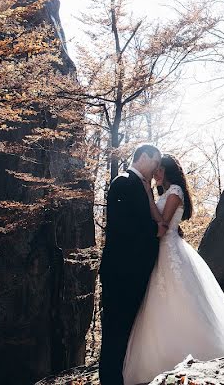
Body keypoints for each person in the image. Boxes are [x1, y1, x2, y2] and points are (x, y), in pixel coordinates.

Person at [123, 154, 224, 385]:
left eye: (159, 169)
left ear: (167, 171)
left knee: (180, 299)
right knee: (162, 301)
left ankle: (192, 349)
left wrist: (147, 198)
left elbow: (162, 225)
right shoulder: (165, 193)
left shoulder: (175, 192)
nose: (155, 173)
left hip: (170, 250)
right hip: (164, 251)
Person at [98, 144, 163, 385]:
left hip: (133, 272)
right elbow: (124, 227)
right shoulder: (123, 182)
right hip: (121, 273)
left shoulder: (140, 186)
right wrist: (155, 230)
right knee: (115, 329)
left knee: (127, 330)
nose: (156, 167)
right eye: (155, 161)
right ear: (143, 157)